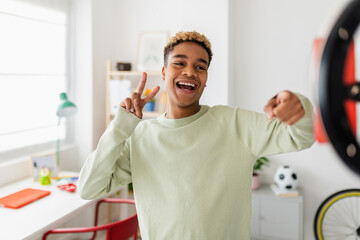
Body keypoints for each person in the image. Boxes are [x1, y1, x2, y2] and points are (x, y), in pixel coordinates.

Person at [78, 31, 314, 240]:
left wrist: (299, 107)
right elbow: (89, 187)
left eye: (200, 67)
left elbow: (302, 136)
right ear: (163, 72)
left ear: (206, 78)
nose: (190, 71)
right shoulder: (140, 136)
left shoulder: (235, 123)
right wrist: (120, 127)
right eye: (179, 63)